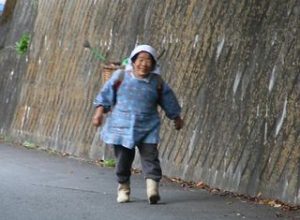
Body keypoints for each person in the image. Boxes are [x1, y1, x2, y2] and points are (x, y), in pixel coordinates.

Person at [92, 44, 184, 204]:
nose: (144, 64)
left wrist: (176, 118)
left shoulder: (157, 82)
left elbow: (169, 100)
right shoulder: (120, 77)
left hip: (148, 126)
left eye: (148, 60)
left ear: (154, 64)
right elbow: (105, 96)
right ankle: (123, 188)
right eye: (140, 59)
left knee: (150, 158)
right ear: (133, 61)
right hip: (122, 127)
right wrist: (99, 113)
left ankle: (152, 189)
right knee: (123, 160)